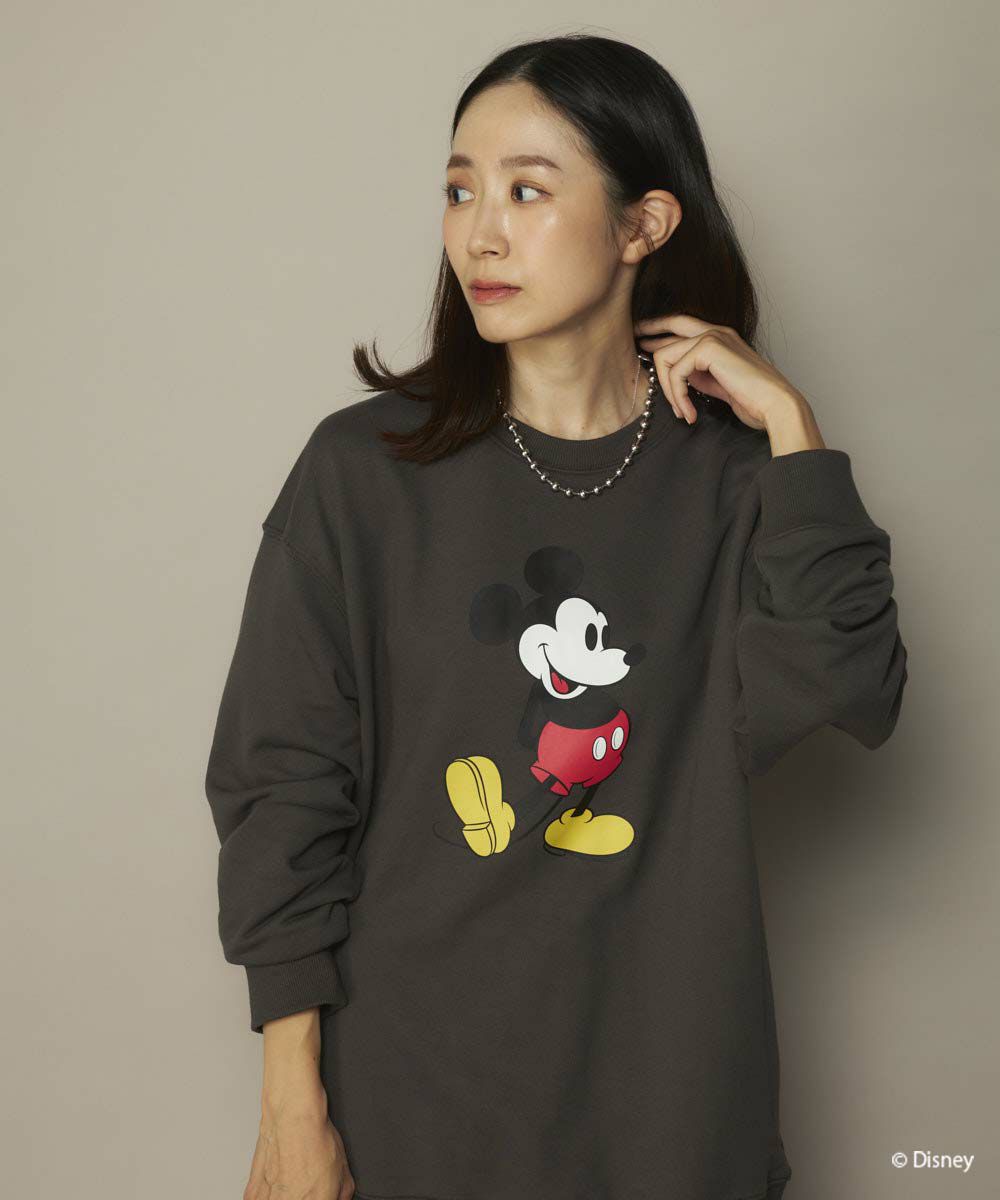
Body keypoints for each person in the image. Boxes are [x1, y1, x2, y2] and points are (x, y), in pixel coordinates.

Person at [204, 32, 908, 1200]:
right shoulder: (362, 474)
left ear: (643, 226)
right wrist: (294, 1104)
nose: (480, 233)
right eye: (459, 191)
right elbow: (283, 786)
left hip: (673, 1090)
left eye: (527, 191)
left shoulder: (738, 481)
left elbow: (845, 693)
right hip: (414, 1087)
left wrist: (794, 432)